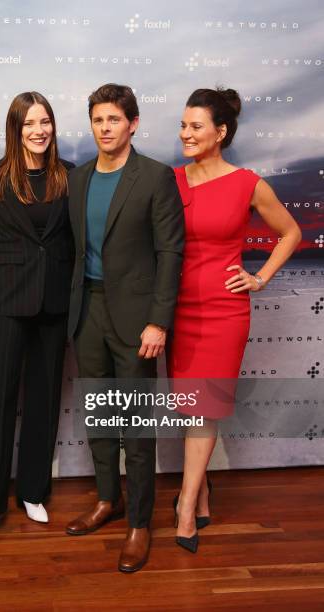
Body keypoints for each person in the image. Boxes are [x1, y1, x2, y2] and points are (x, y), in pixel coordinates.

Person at [168, 87, 302, 553]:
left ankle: (186, 506)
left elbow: (291, 231)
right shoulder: (172, 180)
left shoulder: (246, 183)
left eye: (196, 126)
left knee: (206, 405)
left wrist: (260, 276)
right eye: (183, 125)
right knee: (190, 403)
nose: (185, 133)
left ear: (220, 132)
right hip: (176, 309)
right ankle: (202, 490)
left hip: (225, 312)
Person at [65, 84, 185, 572]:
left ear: (132, 123)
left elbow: (170, 252)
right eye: (97, 120)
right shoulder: (78, 179)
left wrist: (159, 320)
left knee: (135, 427)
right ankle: (106, 500)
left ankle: (139, 523)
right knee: (100, 417)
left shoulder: (155, 177)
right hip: (86, 312)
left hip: (138, 321)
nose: (105, 128)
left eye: (114, 119)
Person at [0, 92, 74, 558]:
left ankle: (32, 490)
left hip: (55, 302)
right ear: (15, 128)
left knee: (44, 399)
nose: (39, 130)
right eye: (30, 122)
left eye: (45, 121)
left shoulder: (71, 174)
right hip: (10, 300)